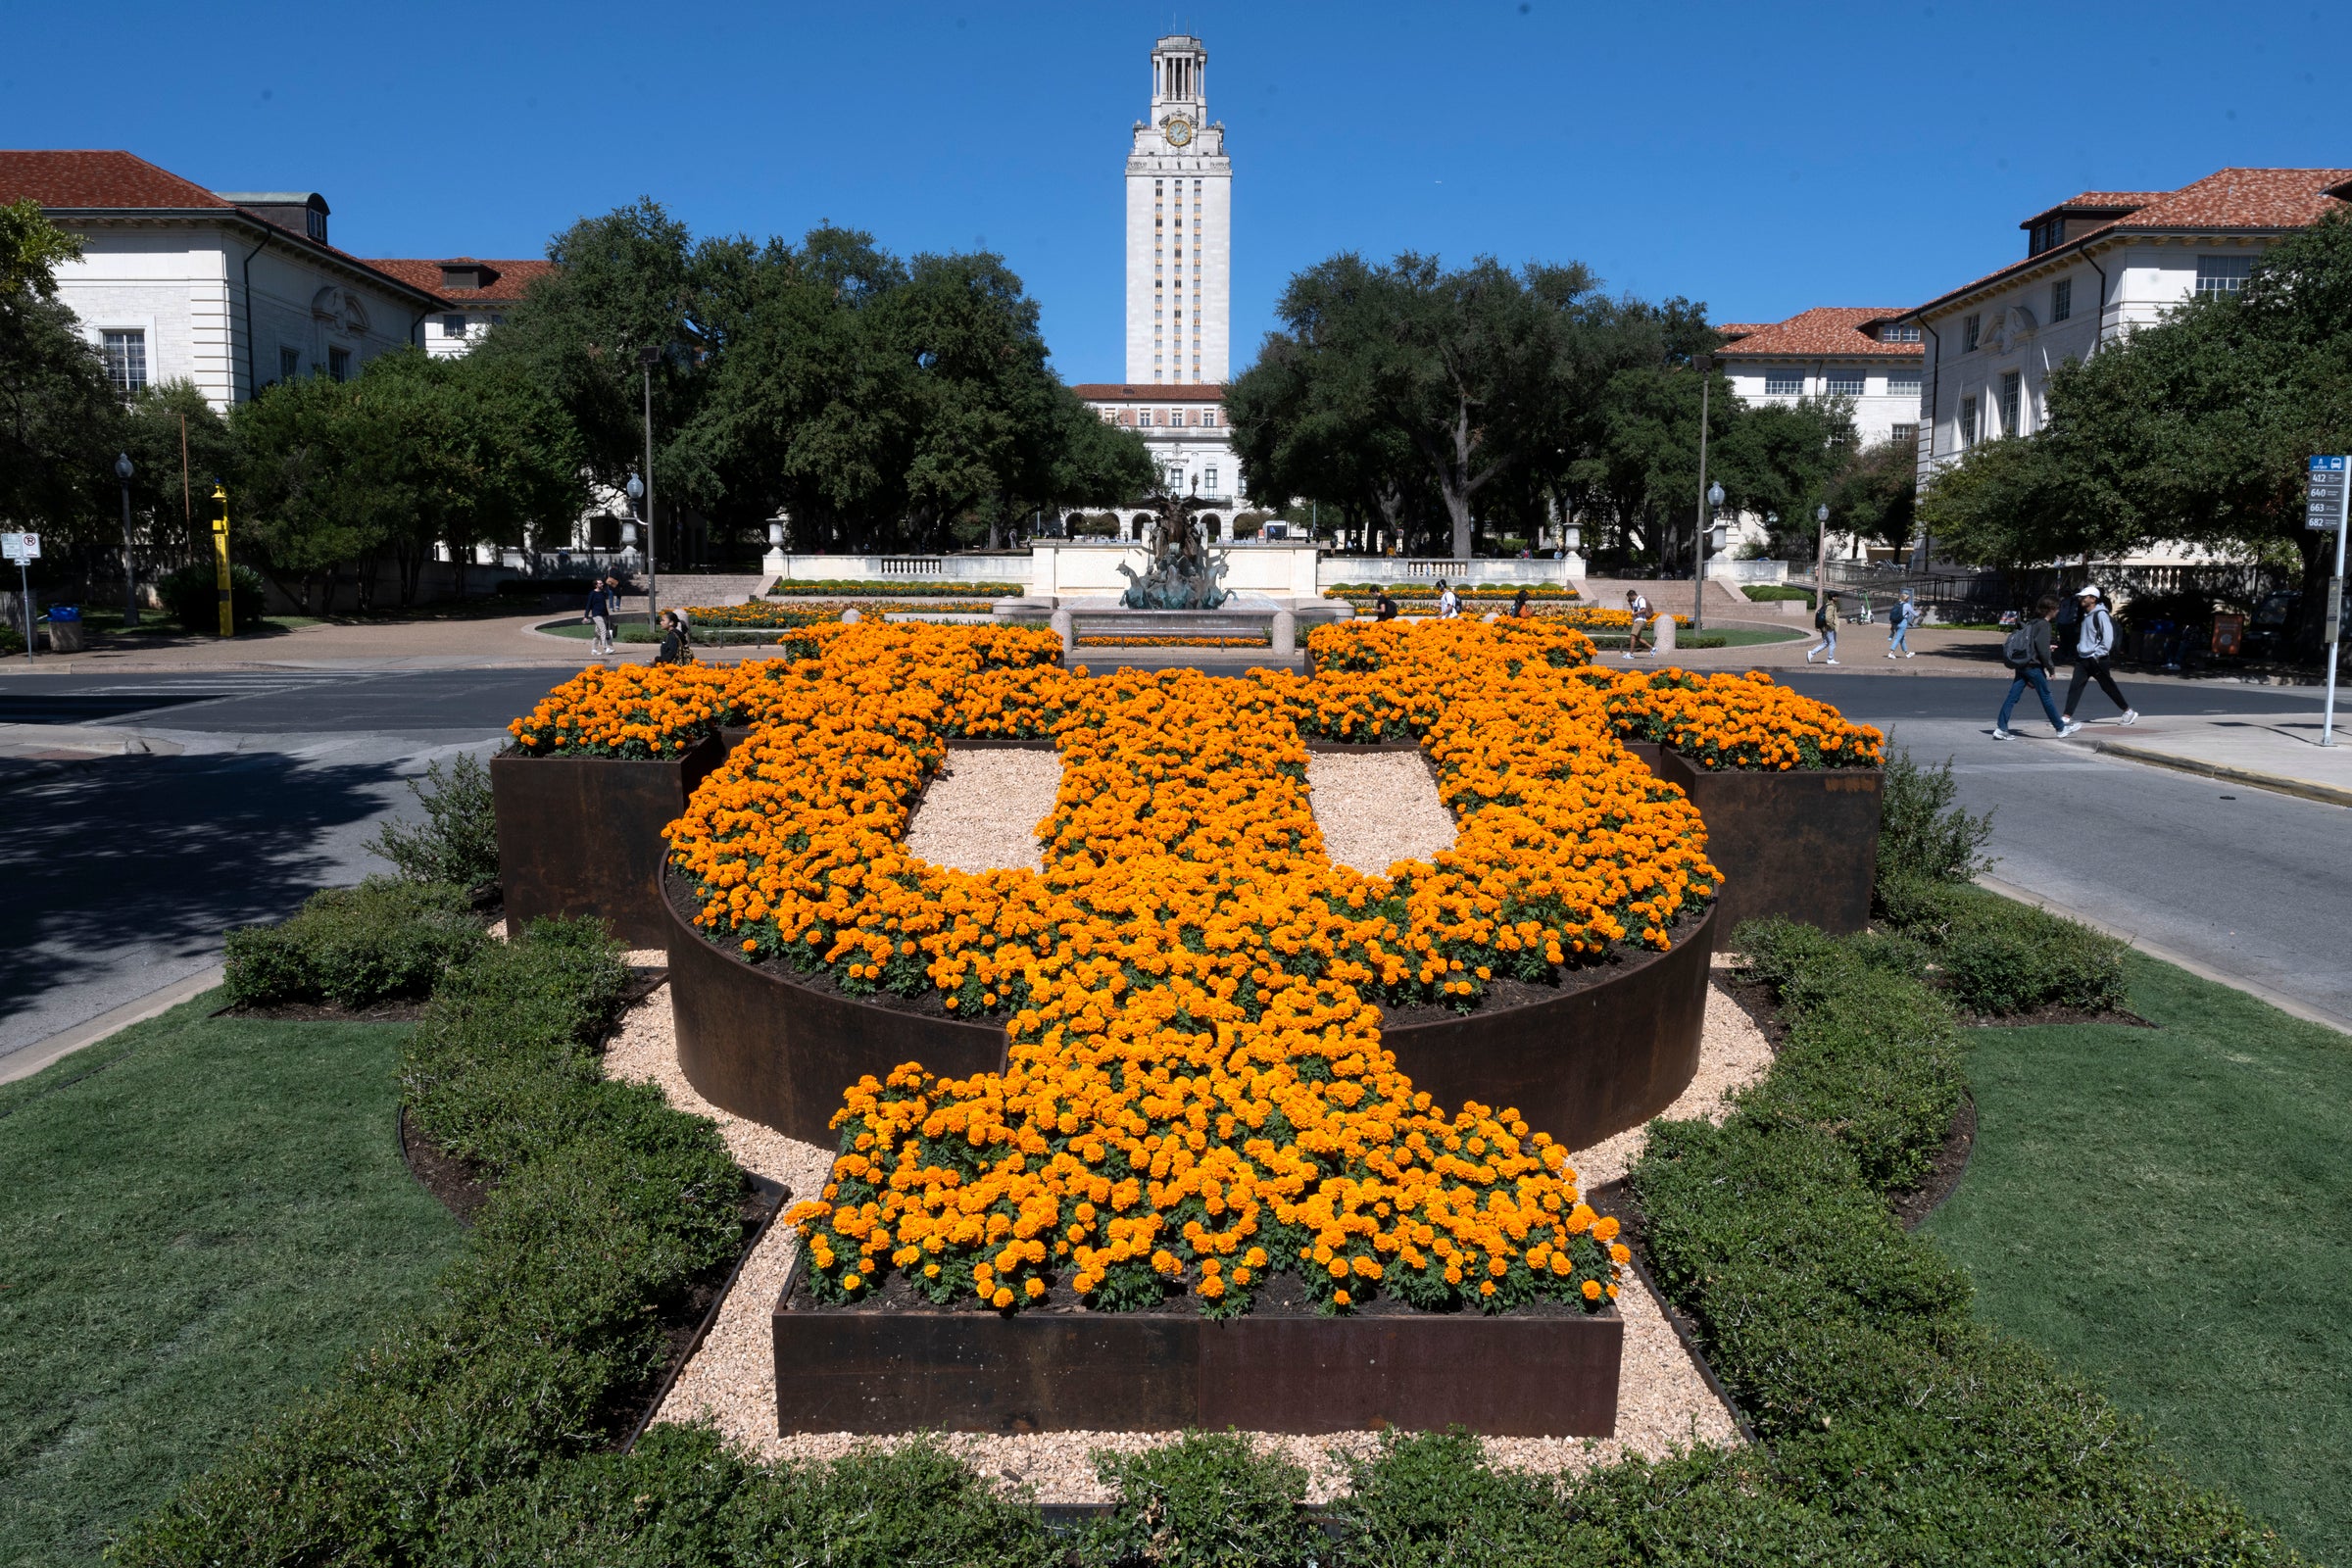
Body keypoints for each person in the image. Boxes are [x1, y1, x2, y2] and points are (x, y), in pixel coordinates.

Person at [1994, 595, 2075, 739]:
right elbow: (2043, 651)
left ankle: (2001, 728)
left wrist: (2046, 648)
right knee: (2046, 696)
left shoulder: (2033, 622)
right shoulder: (2044, 625)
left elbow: (2034, 645)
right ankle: (2060, 728)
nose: (2058, 612)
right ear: (2050, 609)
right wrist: (2051, 669)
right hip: (2033, 667)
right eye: (2057, 609)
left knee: (2012, 697)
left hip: (2023, 665)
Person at [2061, 585, 2139, 726]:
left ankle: (2128, 711)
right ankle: (2067, 716)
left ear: (2093, 599)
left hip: (2096, 659)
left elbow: (2108, 638)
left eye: (2084, 597)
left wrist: (2097, 655)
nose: (2081, 599)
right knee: (2075, 687)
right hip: (2083, 657)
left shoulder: (2101, 614)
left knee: (2107, 686)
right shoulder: (2085, 614)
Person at [1805, 593, 1840, 664]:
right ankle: (1830, 659)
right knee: (1832, 643)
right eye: (1836, 597)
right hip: (1829, 628)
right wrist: (1832, 626)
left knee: (1825, 643)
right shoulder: (1831, 606)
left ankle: (1811, 653)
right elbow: (1828, 618)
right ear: (1833, 598)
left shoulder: (1826, 605)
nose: (1838, 598)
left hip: (1824, 627)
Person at [584, 578, 614, 656]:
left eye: (602, 583)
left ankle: (594, 650)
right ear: (596, 585)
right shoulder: (592, 593)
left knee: (597, 633)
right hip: (596, 615)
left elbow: (604, 605)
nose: (602, 584)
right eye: (600, 583)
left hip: (603, 614)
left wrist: (607, 616)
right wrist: (586, 616)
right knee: (603, 630)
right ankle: (606, 648)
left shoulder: (602, 592)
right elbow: (588, 605)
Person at [1886, 588, 1917, 660]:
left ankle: (1907, 653)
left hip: (1895, 623)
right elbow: (1915, 614)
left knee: (1901, 638)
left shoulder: (1897, 604)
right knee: (1898, 638)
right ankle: (1891, 653)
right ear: (1906, 599)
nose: (1908, 599)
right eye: (1908, 598)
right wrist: (1920, 613)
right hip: (1902, 623)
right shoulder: (1907, 605)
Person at [1625, 588, 1653, 659]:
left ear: (1631, 596)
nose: (1629, 599)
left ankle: (1631, 654)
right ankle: (1652, 648)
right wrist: (1630, 603)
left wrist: (1635, 613)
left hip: (1640, 620)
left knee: (1632, 636)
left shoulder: (1641, 600)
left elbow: (1644, 610)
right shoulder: (1635, 601)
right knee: (1637, 638)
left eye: (1629, 598)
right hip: (1637, 620)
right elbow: (1634, 609)